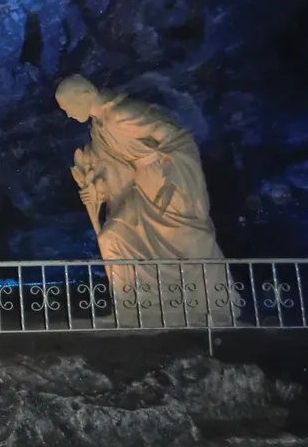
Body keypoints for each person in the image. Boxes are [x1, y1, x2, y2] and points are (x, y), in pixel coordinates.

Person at [56, 76, 239, 327]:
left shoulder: (122, 113)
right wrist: (98, 190)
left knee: (187, 240)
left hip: (164, 183)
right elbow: (111, 168)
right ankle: (133, 307)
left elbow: (176, 139)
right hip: (139, 187)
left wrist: (172, 178)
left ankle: (214, 305)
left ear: (86, 95)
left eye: (68, 106)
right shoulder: (98, 127)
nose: (67, 114)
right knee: (112, 237)